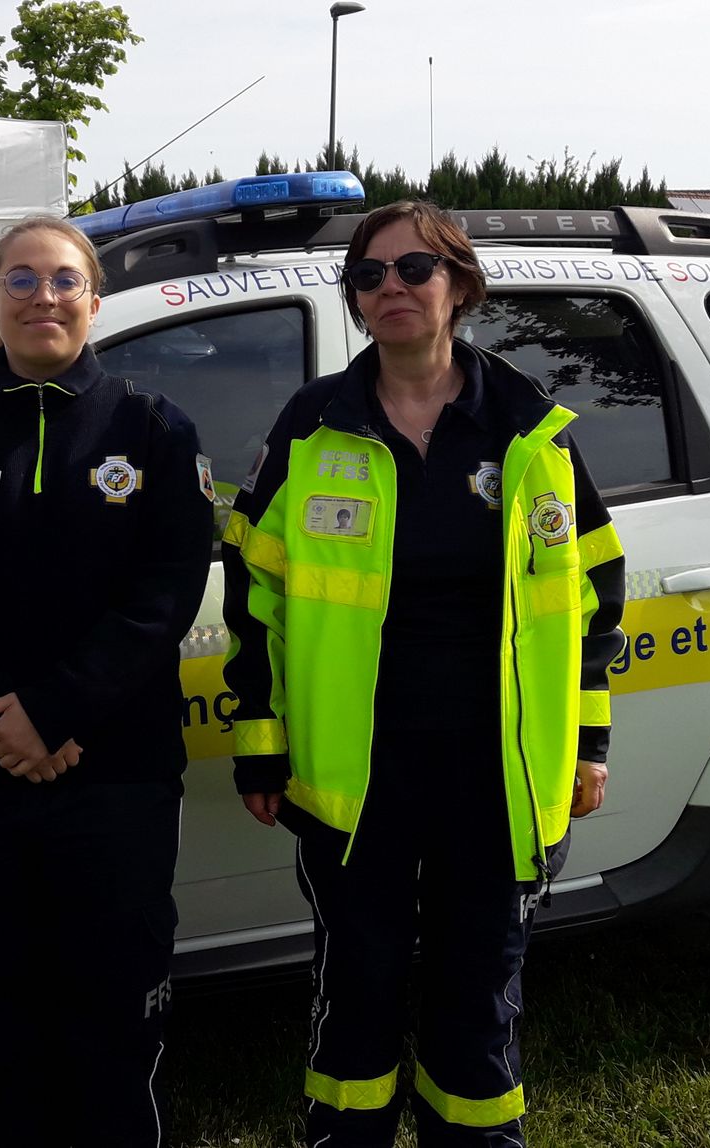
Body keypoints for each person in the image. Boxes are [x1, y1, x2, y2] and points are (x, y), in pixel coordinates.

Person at [221, 200, 625, 1147]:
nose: (391, 289)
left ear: (460, 285)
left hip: (498, 776)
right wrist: (259, 743)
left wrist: (591, 742)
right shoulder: (314, 425)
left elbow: (593, 600)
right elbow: (254, 595)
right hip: (354, 776)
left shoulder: (529, 430)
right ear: (355, 299)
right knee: (355, 988)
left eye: (414, 270)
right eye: (370, 275)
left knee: (478, 997)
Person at [0, 215, 213, 1148]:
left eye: (64, 281)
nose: (43, 298)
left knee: (116, 1004)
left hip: (117, 775)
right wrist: (3, 715)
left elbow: (166, 592)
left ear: (95, 303)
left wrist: (54, 709)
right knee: (4, 1001)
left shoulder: (153, 432)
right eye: (20, 281)